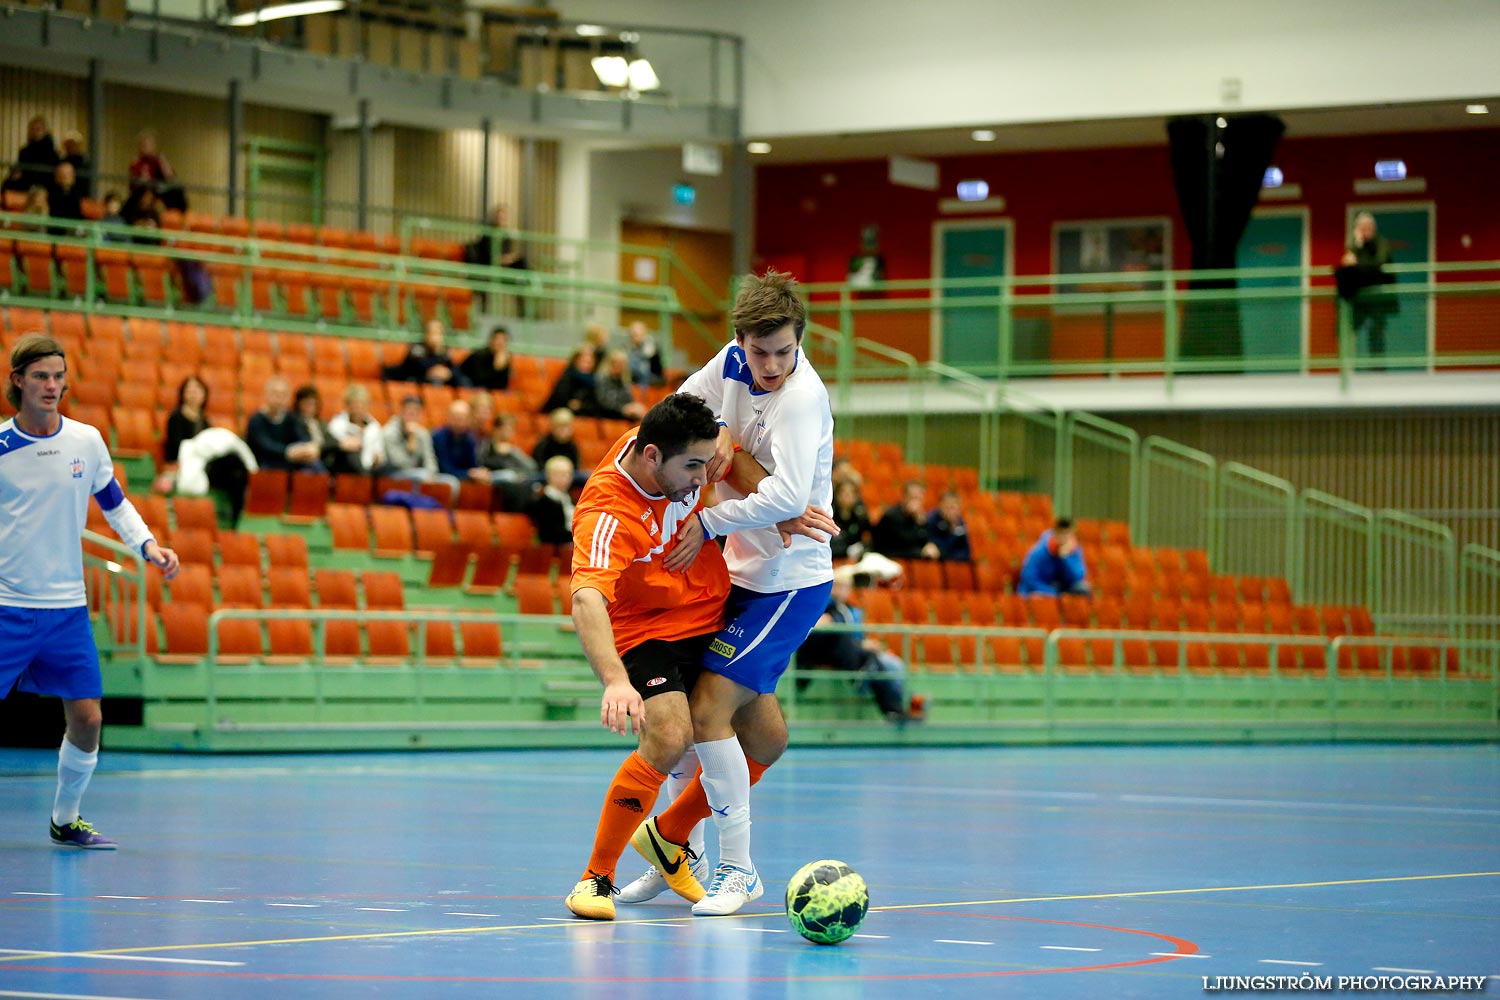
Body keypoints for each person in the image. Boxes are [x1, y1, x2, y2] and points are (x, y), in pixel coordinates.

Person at [563, 393, 828, 920]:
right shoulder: (607, 512)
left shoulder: (684, 453)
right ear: (652, 456)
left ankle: (669, 838)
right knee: (669, 735)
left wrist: (782, 511)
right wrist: (616, 682)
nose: (703, 477)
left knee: (768, 740)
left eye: (705, 464)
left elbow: (728, 452)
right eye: (693, 467)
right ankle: (596, 878)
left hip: (712, 613)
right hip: (650, 633)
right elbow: (586, 597)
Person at [625, 270, 839, 917]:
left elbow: (788, 499)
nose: (770, 366)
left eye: (783, 351)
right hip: (738, 576)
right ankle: (672, 846)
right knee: (761, 737)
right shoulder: (728, 365)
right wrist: (717, 433)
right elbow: (677, 420)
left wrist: (707, 519)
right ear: (739, 341)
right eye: (758, 351)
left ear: (799, 340)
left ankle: (737, 870)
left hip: (789, 582)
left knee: (709, 710)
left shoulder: (803, 399)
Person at [2, 333, 180, 850]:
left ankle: (65, 818)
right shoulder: (0, 448)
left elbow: (115, 503)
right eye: (40, 376)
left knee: (87, 718)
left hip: (67, 611)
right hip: (7, 607)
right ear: (19, 381)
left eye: (58, 376)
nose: (52, 385)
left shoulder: (86, 440)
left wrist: (147, 545)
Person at [797, 568, 912, 722]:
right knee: (880, 662)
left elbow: (857, 636)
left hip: (856, 650)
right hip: (829, 651)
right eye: (838, 585)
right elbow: (815, 627)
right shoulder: (823, 605)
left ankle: (897, 706)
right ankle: (891, 706)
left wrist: (865, 643)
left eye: (846, 586)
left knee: (894, 664)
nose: (842, 590)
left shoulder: (852, 610)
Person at [1335, 212, 1396, 357]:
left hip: (1377, 297)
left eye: (1367, 227)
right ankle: (1347, 368)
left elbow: (1378, 264)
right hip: (1358, 298)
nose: (1364, 231)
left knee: (1376, 332)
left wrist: (1358, 262)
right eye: (1361, 227)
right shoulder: (1355, 245)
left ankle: (1377, 371)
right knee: (1347, 329)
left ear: (1373, 228)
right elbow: (1349, 263)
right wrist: (1357, 245)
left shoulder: (1382, 243)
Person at [381, 395, 458, 495]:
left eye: (416, 412)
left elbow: (430, 459)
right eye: (409, 411)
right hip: (393, 476)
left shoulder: (422, 433)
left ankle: (445, 510)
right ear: (401, 411)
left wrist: (431, 473)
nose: (412, 414)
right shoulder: (389, 432)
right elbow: (399, 464)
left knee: (452, 482)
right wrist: (412, 440)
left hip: (420, 474)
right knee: (421, 475)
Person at [245, 376, 322, 473]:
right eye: (275, 393)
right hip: (264, 463)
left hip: (290, 462)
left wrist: (309, 449)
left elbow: (303, 437)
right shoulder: (256, 419)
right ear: (266, 394)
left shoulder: (292, 418)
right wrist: (288, 452)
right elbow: (264, 446)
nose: (278, 398)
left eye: (283, 394)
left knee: (313, 464)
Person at [1017, 517, 1091, 596]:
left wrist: (1065, 559)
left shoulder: (1074, 549)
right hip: (1040, 588)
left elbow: (1078, 577)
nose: (1064, 538)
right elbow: (1029, 578)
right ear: (1055, 533)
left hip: (1061, 587)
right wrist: (1053, 593)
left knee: (1083, 588)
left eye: (1067, 534)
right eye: (1061, 534)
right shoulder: (1040, 550)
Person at [870, 480, 939, 560]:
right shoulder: (891, 516)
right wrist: (920, 552)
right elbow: (902, 544)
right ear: (904, 497)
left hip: (912, 562)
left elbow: (923, 542)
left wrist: (921, 526)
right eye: (912, 497)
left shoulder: (921, 519)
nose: (915, 502)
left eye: (919, 498)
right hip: (889, 559)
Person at [327, 384, 387, 475]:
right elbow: (333, 446)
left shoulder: (374, 426)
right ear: (347, 406)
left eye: (362, 404)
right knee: (352, 453)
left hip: (370, 467)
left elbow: (379, 451)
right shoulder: (337, 423)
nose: (358, 409)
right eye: (354, 405)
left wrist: (377, 458)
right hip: (344, 464)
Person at [431, 399, 490, 487]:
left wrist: (479, 472)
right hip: (441, 476)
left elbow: (472, 465)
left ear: (469, 419)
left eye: (463, 417)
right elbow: (444, 469)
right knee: (452, 482)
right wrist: (469, 474)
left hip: (461, 475)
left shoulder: (469, 439)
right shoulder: (438, 437)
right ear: (448, 417)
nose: (459, 420)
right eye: (456, 417)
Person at [388, 319, 464, 387]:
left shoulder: (444, 350)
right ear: (426, 334)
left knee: (462, 381)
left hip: (435, 383)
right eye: (433, 333)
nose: (436, 337)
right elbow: (419, 366)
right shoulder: (417, 347)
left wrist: (448, 373)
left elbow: (455, 368)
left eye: (439, 333)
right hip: (414, 382)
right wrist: (437, 352)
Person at [526, 454, 575, 546]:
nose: (567, 477)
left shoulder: (570, 498)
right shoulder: (543, 502)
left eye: (569, 474)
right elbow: (550, 535)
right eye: (562, 474)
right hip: (557, 549)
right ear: (550, 475)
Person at [162, 374, 210, 466]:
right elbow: (175, 447)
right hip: (178, 463)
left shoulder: (205, 420)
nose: (194, 394)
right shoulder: (175, 417)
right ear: (183, 394)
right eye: (190, 391)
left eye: (198, 390)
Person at [3, 116, 58, 195]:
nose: (35, 132)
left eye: (38, 129)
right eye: (32, 129)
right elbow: (20, 168)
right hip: (26, 183)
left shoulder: (52, 153)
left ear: (45, 131)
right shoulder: (24, 151)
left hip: (46, 185)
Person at [478, 412, 537, 484]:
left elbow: (531, 466)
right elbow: (480, 464)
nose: (510, 432)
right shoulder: (485, 445)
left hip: (512, 480)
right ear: (496, 429)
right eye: (506, 428)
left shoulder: (512, 449)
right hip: (490, 478)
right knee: (508, 475)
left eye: (512, 428)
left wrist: (511, 452)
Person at [292, 385, 340, 473]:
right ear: (299, 404)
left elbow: (333, 442)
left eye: (312, 404)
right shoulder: (295, 422)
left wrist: (320, 448)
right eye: (306, 404)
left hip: (324, 458)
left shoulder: (322, 424)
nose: (309, 408)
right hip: (304, 461)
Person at [540, 347, 599, 415]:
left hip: (582, 414)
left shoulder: (593, 380)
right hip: (559, 411)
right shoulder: (568, 375)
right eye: (583, 361)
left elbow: (595, 404)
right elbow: (558, 398)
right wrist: (570, 404)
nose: (586, 365)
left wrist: (582, 406)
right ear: (575, 361)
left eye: (589, 362)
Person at [593, 350, 647, 421]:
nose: (618, 366)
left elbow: (628, 399)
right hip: (608, 417)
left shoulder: (623, 381)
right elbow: (603, 403)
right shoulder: (601, 380)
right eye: (615, 363)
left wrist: (634, 406)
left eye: (621, 364)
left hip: (622, 417)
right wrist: (623, 409)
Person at [830, 479, 872, 562]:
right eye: (843, 493)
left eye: (850, 494)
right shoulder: (830, 516)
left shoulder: (860, 517)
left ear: (856, 497)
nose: (846, 496)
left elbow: (869, 540)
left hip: (856, 560)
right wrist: (846, 551)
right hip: (834, 560)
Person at [459, 326, 512, 391]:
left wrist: (502, 366)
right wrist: (495, 368)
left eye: (504, 340)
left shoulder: (504, 358)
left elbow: (502, 385)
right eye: (498, 339)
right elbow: (480, 380)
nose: (500, 343)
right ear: (491, 340)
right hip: (469, 385)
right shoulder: (479, 355)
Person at [532, 407, 582, 473]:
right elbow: (538, 468)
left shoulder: (573, 446)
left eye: (567, 426)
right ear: (552, 427)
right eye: (560, 427)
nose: (564, 430)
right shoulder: (543, 445)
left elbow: (576, 469)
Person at [926, 489, 971, 562]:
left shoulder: (960, 523)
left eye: (953, 508)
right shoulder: (932, 519)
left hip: (953, 564)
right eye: (947, 507)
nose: (951, 511)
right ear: (940, 506)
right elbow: (934, 545)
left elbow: (966, 552)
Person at [626, 321, 664, 387]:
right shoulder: (630, 348)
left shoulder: (651, 346)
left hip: (651, 379)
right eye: (632, 335)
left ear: (644, 334)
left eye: (636, 335)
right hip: (635, 380)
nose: (634, 338)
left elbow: (646, 361)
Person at [60, 131, 91, 199]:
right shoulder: (62, 161)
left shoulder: (84, 161)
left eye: (73, 143)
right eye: (68, 144)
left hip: (81, 195)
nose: (70, 146)